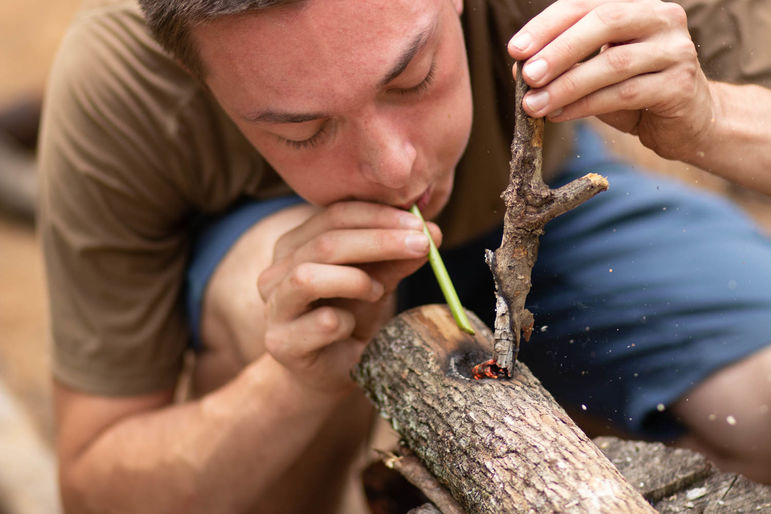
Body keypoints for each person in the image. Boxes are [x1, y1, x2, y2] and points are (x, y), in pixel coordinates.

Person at [38, 0, 771, 511]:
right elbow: (97, 483)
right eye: (303, 130)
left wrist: (712, 117)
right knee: (269, 291)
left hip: (542, 223)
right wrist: (287, 384)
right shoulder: (120, 83)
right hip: (284, 277)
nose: (393, 170)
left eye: (411, 79)